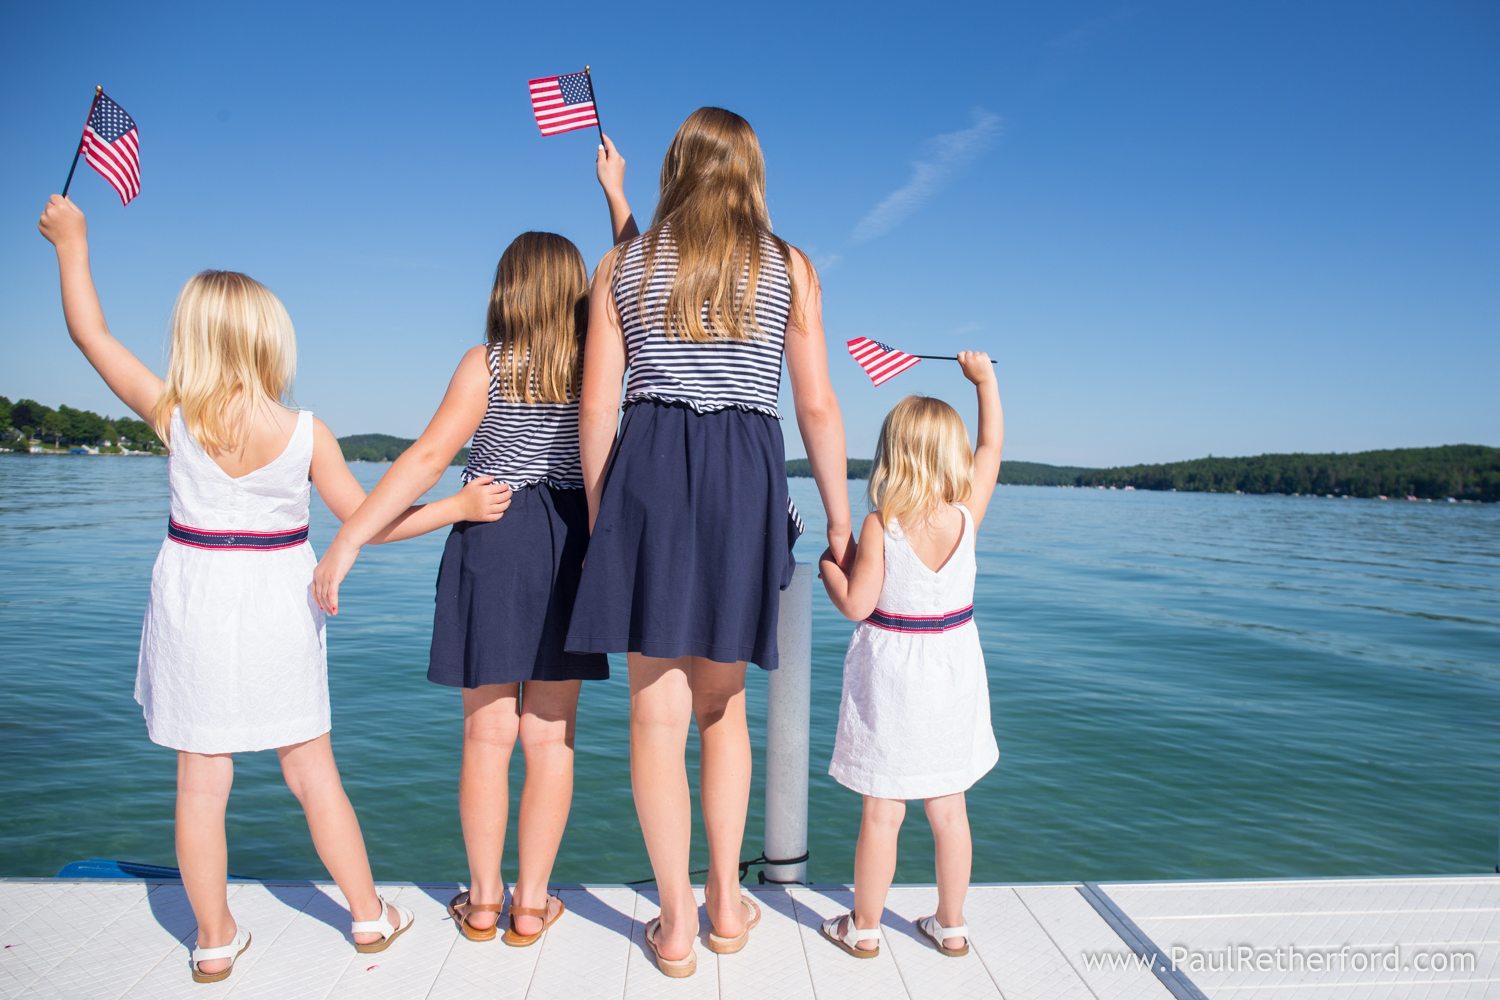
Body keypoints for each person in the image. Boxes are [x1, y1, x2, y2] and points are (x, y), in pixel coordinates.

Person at [36, 195, 510, 983]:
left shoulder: (174, 415)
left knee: (202, 777)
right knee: (311, 768)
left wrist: (72, 242)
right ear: (268, 339)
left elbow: (90, 334)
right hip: (278, 602)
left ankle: (214, 938)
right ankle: (368, 917)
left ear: (193, 337)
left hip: (194, 596)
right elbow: (369, 522)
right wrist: (458, 506)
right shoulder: (308, 432)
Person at [310, 139, 637, 946]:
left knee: (487, 734)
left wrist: (349, 539)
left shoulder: (484, 364)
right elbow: (633, 266)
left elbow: (425, 458)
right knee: (550, 735)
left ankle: (484, 903)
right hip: (568, 540)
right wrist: (615, 193)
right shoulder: (594, 363)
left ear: (506, 290)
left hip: (488, 532)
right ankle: (533, 904)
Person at [565, 107, 851, 977]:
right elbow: (816, 408)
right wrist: (840, 517)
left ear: (676, 168)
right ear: (752, 172)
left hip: (648, 466)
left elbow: (596, 407)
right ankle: (729, 904)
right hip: (744, 473)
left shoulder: (625, 264)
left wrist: (596, 513)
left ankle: (678, 924)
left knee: (656, 713)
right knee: (722, 704)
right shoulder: (789, 267)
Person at [817, 352, 1003, 960]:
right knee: (950, 808)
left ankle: (865, 926)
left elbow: (856, 604)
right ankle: (952, 925)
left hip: (894, 677)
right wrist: (985, 383)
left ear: (891, 455)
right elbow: (992, 449)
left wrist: (828, 569)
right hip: (952, 673)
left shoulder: (880, 526)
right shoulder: (965, 519)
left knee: (883, 809)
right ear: (952, 457)